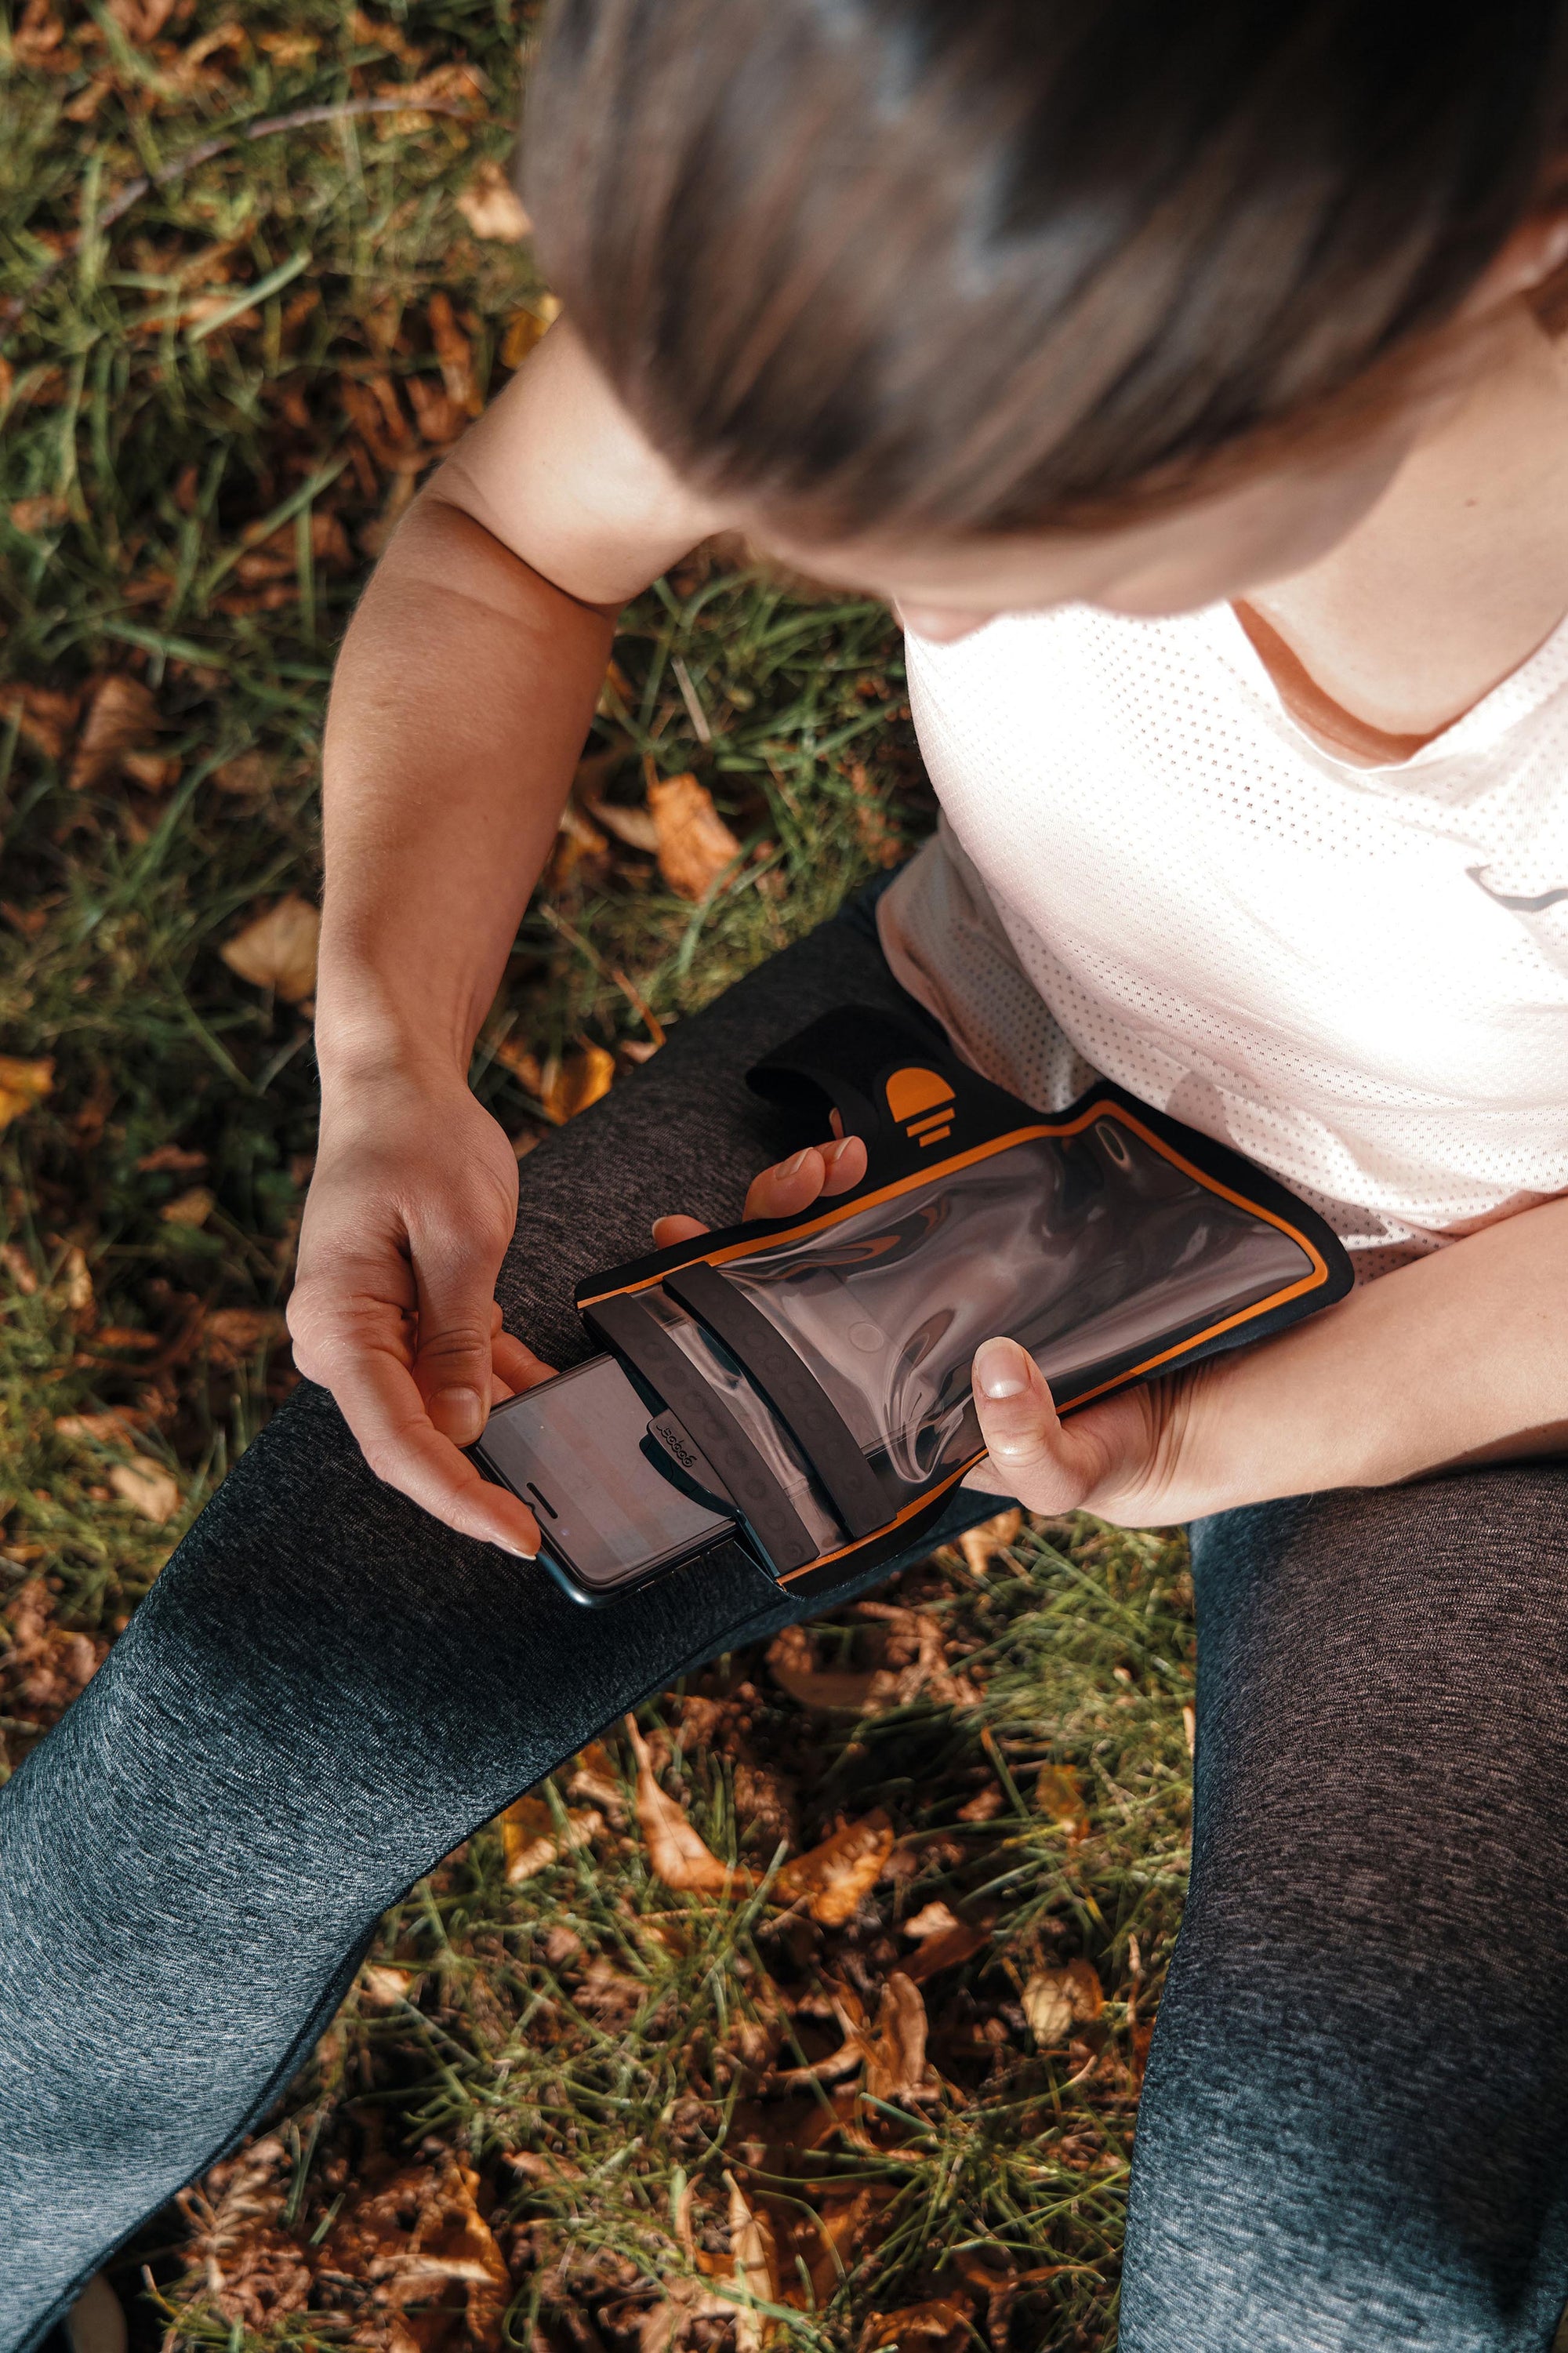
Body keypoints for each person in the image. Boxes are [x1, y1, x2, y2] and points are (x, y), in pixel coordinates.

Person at [9, 1, 1568, 2344]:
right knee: (258, 1707)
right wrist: (393, 1054)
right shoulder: (929, 201)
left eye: (1019, 561)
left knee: (1325, 2229)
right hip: (972, 1065)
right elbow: (511, 542)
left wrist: (1236, 1436)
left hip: (1501, 1352)